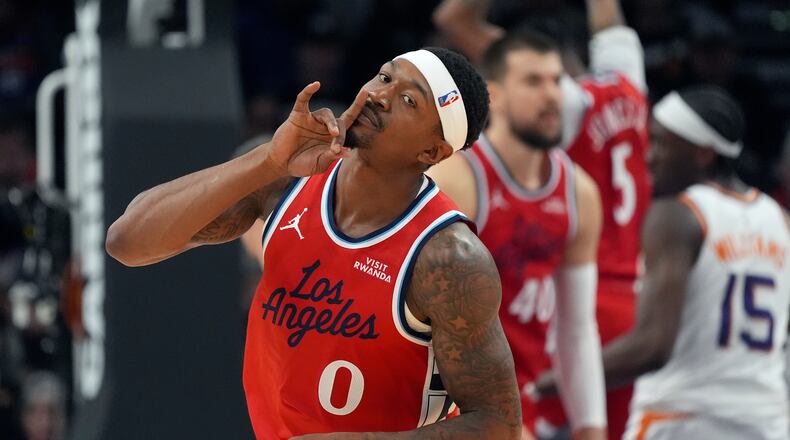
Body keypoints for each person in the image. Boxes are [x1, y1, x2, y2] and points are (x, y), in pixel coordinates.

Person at [105, 47, 523, 439]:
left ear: (432, 151)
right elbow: (127, 241)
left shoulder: (448, 259)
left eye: (409, 100)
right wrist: (269, 160)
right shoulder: (286, 180)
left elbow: (497, 425)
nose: (379, 96)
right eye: (384, 78)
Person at [434, 0, 650, 437]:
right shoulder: (458, 177)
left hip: (530, 383)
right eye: (534, 81)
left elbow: (576, 330)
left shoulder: (578, 192)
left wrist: (591, 429)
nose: (552, 93)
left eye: (555, 80)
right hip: (456, 399)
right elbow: (425, 319)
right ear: (494, 94)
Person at [546, 86, 790, 439]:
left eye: (660, 143)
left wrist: (555, 380)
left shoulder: (678, 215)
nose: (649, 157)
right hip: (766, 421)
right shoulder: (779, 219)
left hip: (682, 416)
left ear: (703, 154)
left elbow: (652, 347)